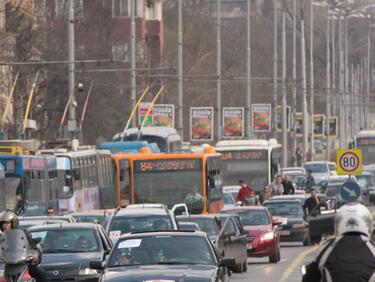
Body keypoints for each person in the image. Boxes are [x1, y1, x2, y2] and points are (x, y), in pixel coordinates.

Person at [302, 203, 375, 282]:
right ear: (368, 224)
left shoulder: (326, 248)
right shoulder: (372, 248)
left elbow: (310, 276)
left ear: (338, 223)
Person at [0, 210, 42, 279]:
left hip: (23, 263)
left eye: (6, 223)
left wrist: (34, 255)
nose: (4, 225)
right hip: (7, 265)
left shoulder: (23, 234)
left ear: (13, 223)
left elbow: (33, 246)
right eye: (2, 223)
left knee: (42, 274)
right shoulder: (1, 237)